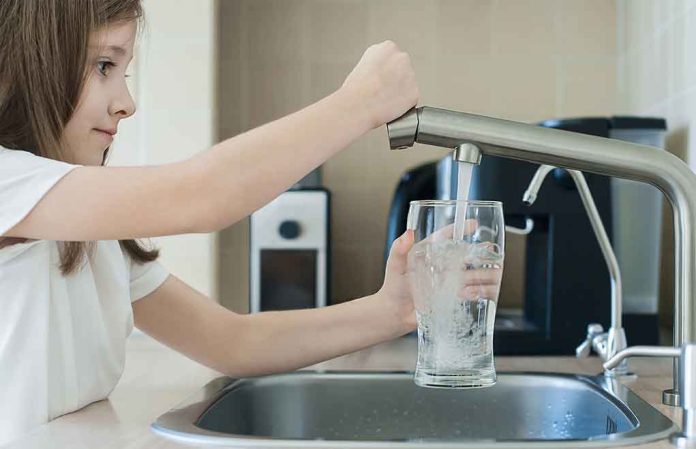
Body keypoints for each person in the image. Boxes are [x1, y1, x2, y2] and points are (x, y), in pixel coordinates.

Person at [0, 0, 420, 444]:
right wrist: (358, 105)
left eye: (122, 73)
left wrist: (391, 312)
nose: (127, 103)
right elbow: (202, 196)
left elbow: (233, 342)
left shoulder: (94, 235)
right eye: (104, 65)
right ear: (29, 65)